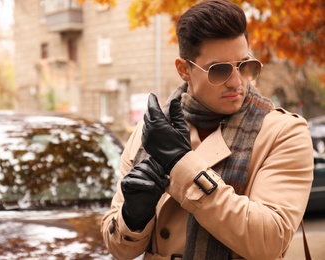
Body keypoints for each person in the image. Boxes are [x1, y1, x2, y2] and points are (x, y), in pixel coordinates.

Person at [101, 0, 314, 259]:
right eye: (220, 70)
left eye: (244, 65)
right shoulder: (151, 132)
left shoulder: (284, 133)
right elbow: (120, 249)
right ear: (184, 70)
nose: (237, 82)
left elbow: (269, 241)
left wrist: (181, 165)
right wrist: (133, 216)